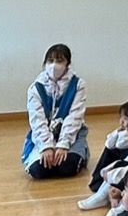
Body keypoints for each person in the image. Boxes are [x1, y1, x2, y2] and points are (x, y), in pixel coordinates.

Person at [23, 43, 90, 180]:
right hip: (44, 134)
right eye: (50, 61)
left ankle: (80, 153)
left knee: (67, 167)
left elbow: (75, 117)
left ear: (67, 64)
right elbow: (37, 120)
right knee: (39, 170)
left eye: (59, 61)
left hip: (71, 136)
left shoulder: (78, 85)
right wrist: (46, 147)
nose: (54, 65)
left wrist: (63, 145)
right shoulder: (35, 88)